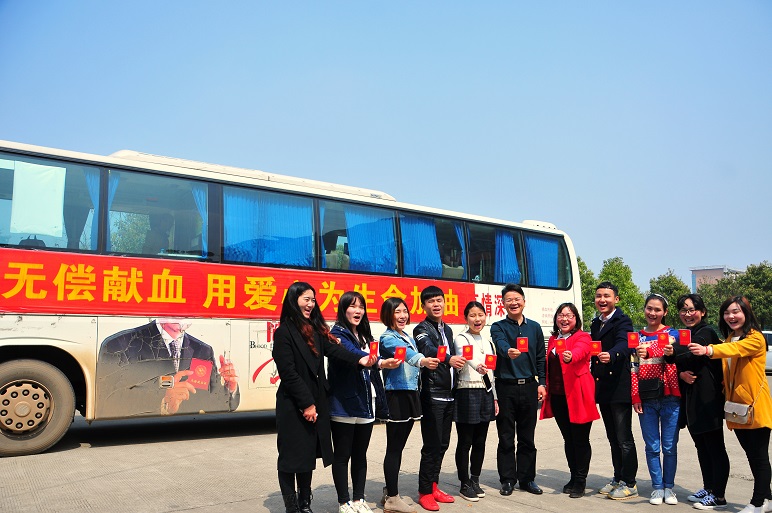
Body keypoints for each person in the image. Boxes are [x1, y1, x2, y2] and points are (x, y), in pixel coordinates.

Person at [273, 282, 376, 513]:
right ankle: (292, 507)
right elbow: (288, 374)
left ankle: (305, 504)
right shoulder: (284, 333)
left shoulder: (315, 330)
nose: (310, 304)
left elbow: (335, 351)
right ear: (293, 300)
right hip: (294, 404)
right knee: (290, 459)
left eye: (313, 300)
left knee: (307, 457)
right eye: (306, 299)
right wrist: (307, 403)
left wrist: (360, 360)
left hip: (316, 403)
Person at [689, 295, 772, 513]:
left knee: (758, 457)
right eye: (727, 313)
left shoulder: (754, 338)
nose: (731, 316)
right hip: (737, 409)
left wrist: (708, 350)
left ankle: (757, 503)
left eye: (736, 312)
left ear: (746, 313)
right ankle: (767, 498)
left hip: (754, 407)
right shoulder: (730, 338)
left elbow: (735, 350)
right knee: (752, 455)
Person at [328, 291, 401, 513]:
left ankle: (359, 499)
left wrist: (383, 362)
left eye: (361, 307)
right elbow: (352, 353)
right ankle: (344, 502)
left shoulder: (364, 334)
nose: (357, 311)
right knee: (342, 456)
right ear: (343, 309)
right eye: (352, 306)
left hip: (366, 402)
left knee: (360, 455)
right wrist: (376, 362)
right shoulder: (337, 334)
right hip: (344, 403)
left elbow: (371, 358)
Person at [97, 318, 239, 417]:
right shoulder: (120, 344)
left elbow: (213, 403)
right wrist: (163, 400)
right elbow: (106, 400)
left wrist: (230, 388)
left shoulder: (202, 350)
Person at [667, 294, 728, 510]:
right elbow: (680, 360)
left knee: (714, 447)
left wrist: (673, 353)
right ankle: (709, 487)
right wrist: (680, 371)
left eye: (692, 309)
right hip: (692, 399)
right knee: (701, 446)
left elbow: (693, 351)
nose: (687, 314)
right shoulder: (685, 334)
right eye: (683, 310)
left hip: (708, 399)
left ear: (702, 312)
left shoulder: (706, 332)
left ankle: (719, 497)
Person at [380, 297, 440, 513]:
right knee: (394, 448)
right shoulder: (388, 337)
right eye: (397, 312)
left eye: (404, 311)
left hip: (410, 393)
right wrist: (423, 360)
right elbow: (406, 354)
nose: (402, 315)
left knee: (399, 447)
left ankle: (389, 490)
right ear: (388, 315)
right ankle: (392, 498)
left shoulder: (407, 336)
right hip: (396, 395)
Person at [413, 286, 466, 510]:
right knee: (431, 445)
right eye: (431, 301)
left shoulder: (448, 329)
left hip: (448, 394)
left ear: (445, 302)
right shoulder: (421, 329)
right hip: (432, 394)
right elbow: (427, 348)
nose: (436, 304)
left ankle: (434, 485)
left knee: (443, 444)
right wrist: (449, 359)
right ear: (423, 306)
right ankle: (424, 491)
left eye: (439, 300)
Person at [540, 302, 600, 499]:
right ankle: (573, 476)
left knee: (580, 440)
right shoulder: (554, 339)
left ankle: (581, 481)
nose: (564, 319)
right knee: (568, 439)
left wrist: (570, 356)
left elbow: (581, 351)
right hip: (558, 396)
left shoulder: (583, 337)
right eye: (561, 315)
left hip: (578, 395)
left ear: (576, 319)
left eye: (569, 315)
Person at [491, 283, 546, 496]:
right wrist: (507, 351)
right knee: (506, 437)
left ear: (524, 301)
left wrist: (542, 383)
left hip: (530, 386)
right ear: (503, 304)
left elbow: (540, 357)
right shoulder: (498, 327)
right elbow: (500, 343)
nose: (513, 303)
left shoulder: (535, 328)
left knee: (527, 437)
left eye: (517, 299)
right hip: (506, 387)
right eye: (509, 300)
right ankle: (507, 480)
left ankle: (527, 479)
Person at [590, 281, 639, 500]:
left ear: (616, 299)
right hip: (603, 387)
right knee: (612, 437)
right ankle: (618, 477)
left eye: (607, 296)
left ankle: (630, 482)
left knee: (624, 438)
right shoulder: (595, 323)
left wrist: (612, 354)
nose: (602, 300)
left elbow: (625, 344)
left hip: (619, 387)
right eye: (599, 296)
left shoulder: (622, 320)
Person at [632, 293, 681, 505]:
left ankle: (669, 488)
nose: (652, 313)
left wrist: (649, 350)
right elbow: (632, 368)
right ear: (644, 309)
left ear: (665, 312)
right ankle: (657, 487)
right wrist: (635, 396)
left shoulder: (672, 333)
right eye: (649, 308)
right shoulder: (636, 337)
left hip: (670, 397)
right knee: (652, 447)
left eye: (657, 309)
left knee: (669, 446)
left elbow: (670, 347)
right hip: (646, 398)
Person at [452, 300, 498, 502]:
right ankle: (464, 483)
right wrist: (478, 366)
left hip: (485, 392)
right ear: (466, 318)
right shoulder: (461, 338)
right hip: (467, 391)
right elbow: (465, 355)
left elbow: (492, 373)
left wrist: (494, 397)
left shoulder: (488, 342)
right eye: (472, 315)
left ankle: (475, 480)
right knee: (465, 441)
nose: (477, 319)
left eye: (480, 315)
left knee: (480, 441)